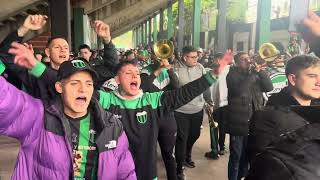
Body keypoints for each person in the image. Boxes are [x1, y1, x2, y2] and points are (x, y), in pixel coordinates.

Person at [0, 58, 136, 180]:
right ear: (60, 87)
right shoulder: (38, 116)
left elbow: (126, 172)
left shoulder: (111, 125)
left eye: (89, 84)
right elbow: (4, 99)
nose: (83, 89)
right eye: (75, 83)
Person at [97, 60, 220, 180]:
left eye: (137, 73)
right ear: (117, 80)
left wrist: (212, 76)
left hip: (146, 172)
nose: (135, 76)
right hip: (116, 172)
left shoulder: (153, 100)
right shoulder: (105, 100)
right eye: (128, 73)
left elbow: (183, 93)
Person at [247, 55, 320, 180]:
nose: (319, 82)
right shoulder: (266, 117)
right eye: (312, 76)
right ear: (293, 79)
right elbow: (261, 168)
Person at [226, 52, 273, 180]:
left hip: (254, 122)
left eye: (249, 58)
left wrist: (261, 72)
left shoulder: (255, 74)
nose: (248, 61)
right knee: (236, 156)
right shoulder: (232, 74)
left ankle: (243, 177)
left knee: (248, 156)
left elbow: (269, 87)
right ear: (236, 62)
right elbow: (239, 90)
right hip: (238, 122)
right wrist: (253, 74)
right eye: (243, 59)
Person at [172, 46, 213, 179]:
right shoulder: (175, 68)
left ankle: (187, 154)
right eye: (193, 57)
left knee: (194, 134)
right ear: (185, 57)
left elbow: (205, 84)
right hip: (180, 110)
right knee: (181, 138)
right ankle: (179, 168)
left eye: (197, 56)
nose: (197, 59)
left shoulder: (200, 67)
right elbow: (173, 88)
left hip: (197, 109)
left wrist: (209, 100)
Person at [140, 58, 179, 180]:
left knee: (169, 153)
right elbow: (143, 87)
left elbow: (177, 86)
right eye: (158, 55)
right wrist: (157, 71)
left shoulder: (171, 70)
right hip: (150, 116)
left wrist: (169, 69)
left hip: (167, 116)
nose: (161, 58)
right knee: (149, 153)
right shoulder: (145, 71)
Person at [205, 51, 233, 159]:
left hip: (216, 104)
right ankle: (221, 147)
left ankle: (215, 149)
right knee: (221, 126)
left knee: (215, 127)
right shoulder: (229, 70)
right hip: (223, 104)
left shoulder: (226, 70)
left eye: (216, 59)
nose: (214, 61)